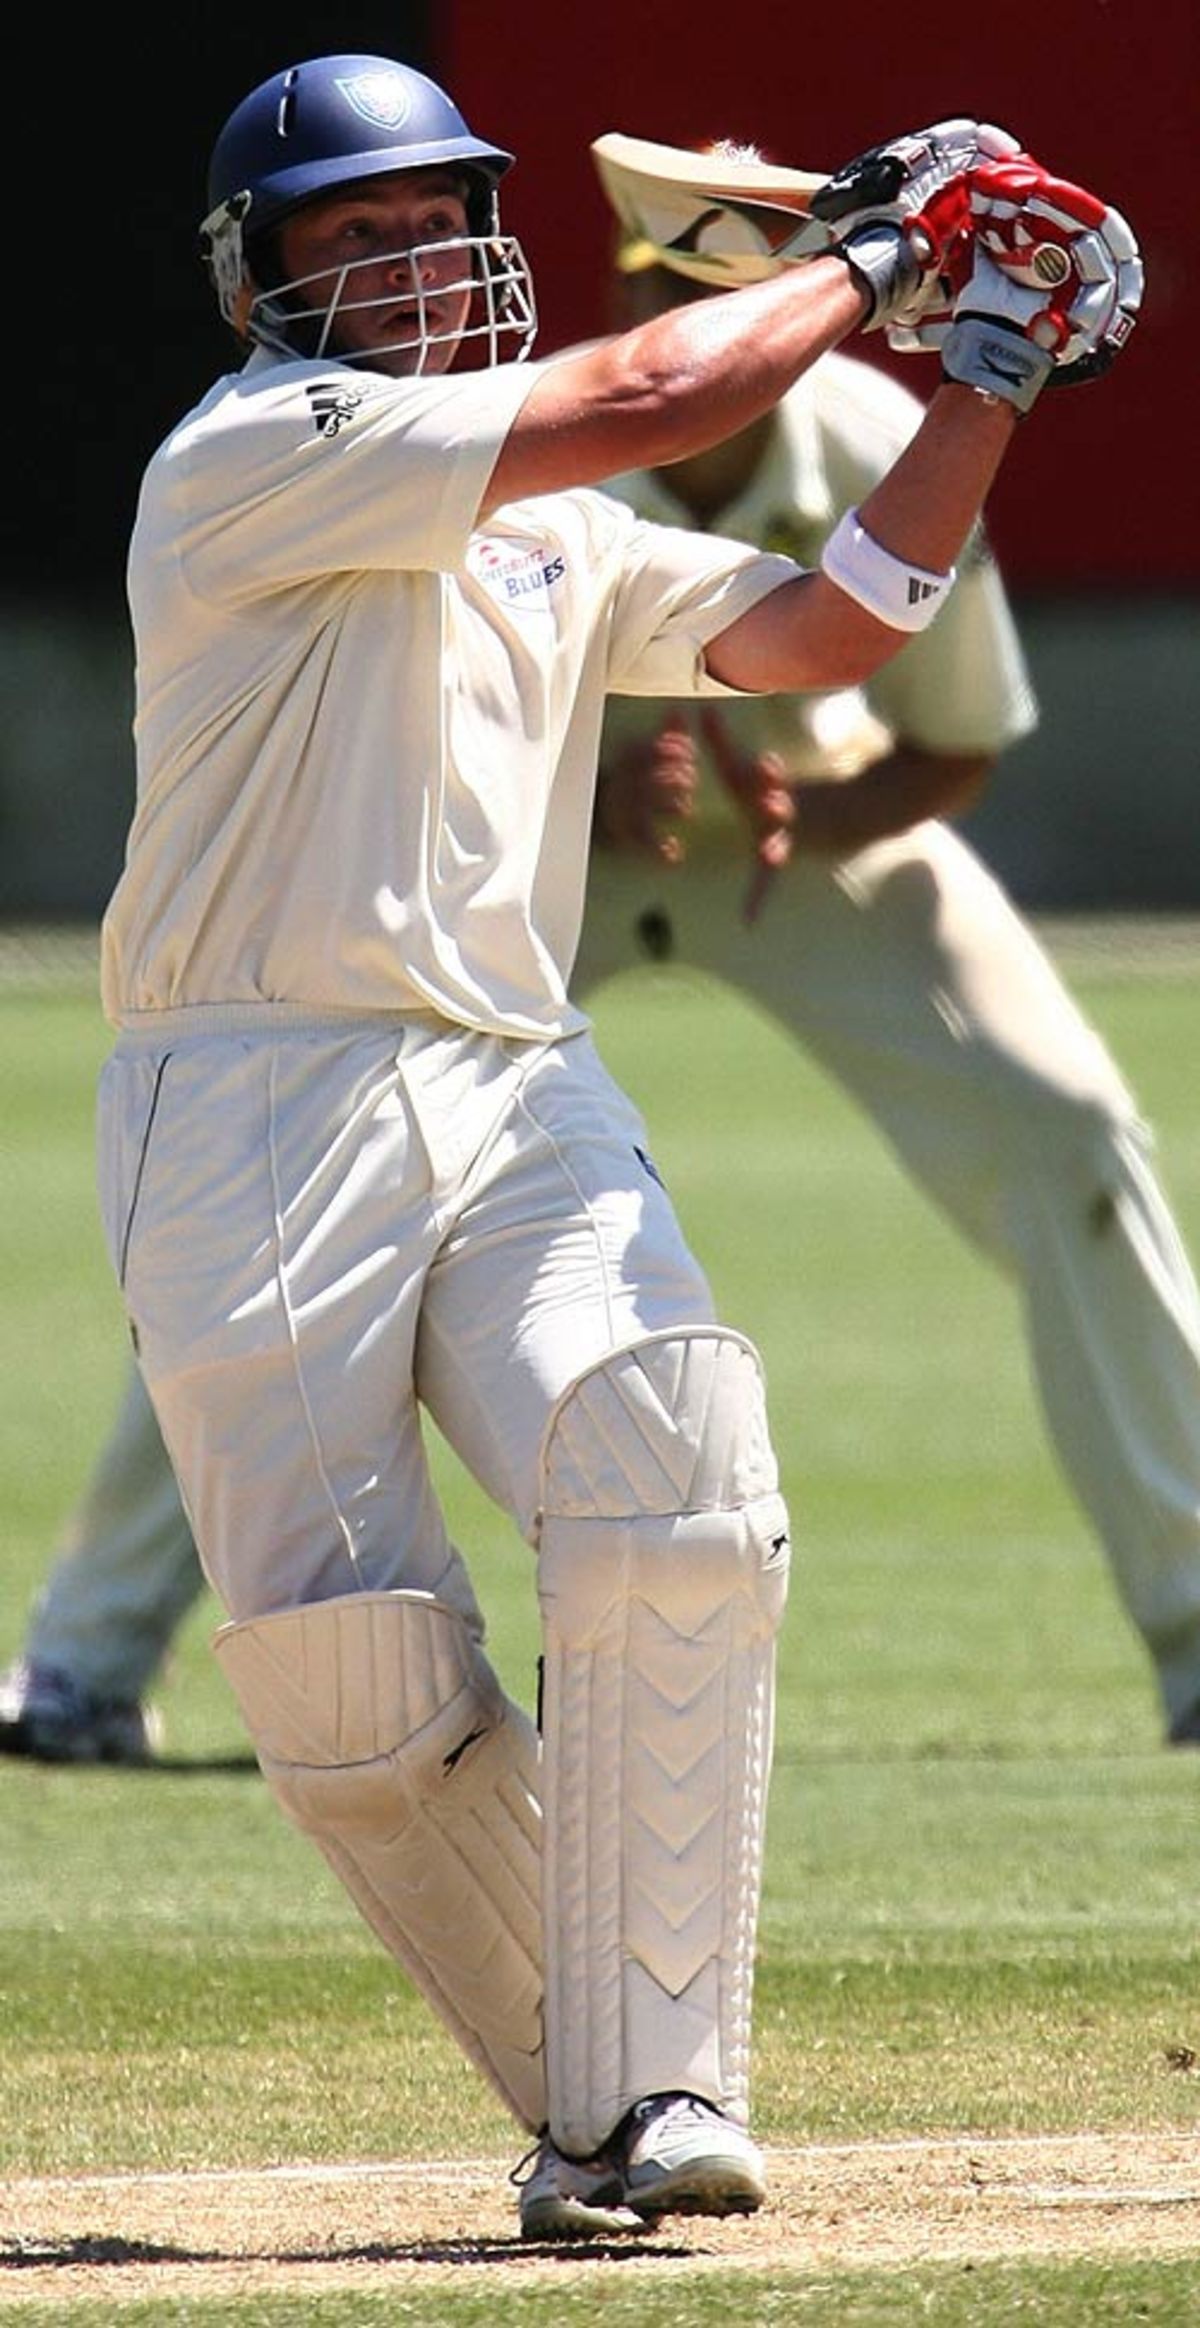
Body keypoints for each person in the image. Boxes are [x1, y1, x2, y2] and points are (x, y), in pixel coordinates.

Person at [7, 52, 1139, 2237]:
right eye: (352, 240)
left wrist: (980, 378)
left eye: (432, 221)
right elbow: (653, 385)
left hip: (518, 1078)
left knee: (670, 1456)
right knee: (354, 1679)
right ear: (264, 290)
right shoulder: (253, 456)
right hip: (255, 1099)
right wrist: (891, 251)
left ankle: (664, 2101)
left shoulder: (549, 525)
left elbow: (825, 626)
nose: (409, 262)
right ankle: (605, 2103)